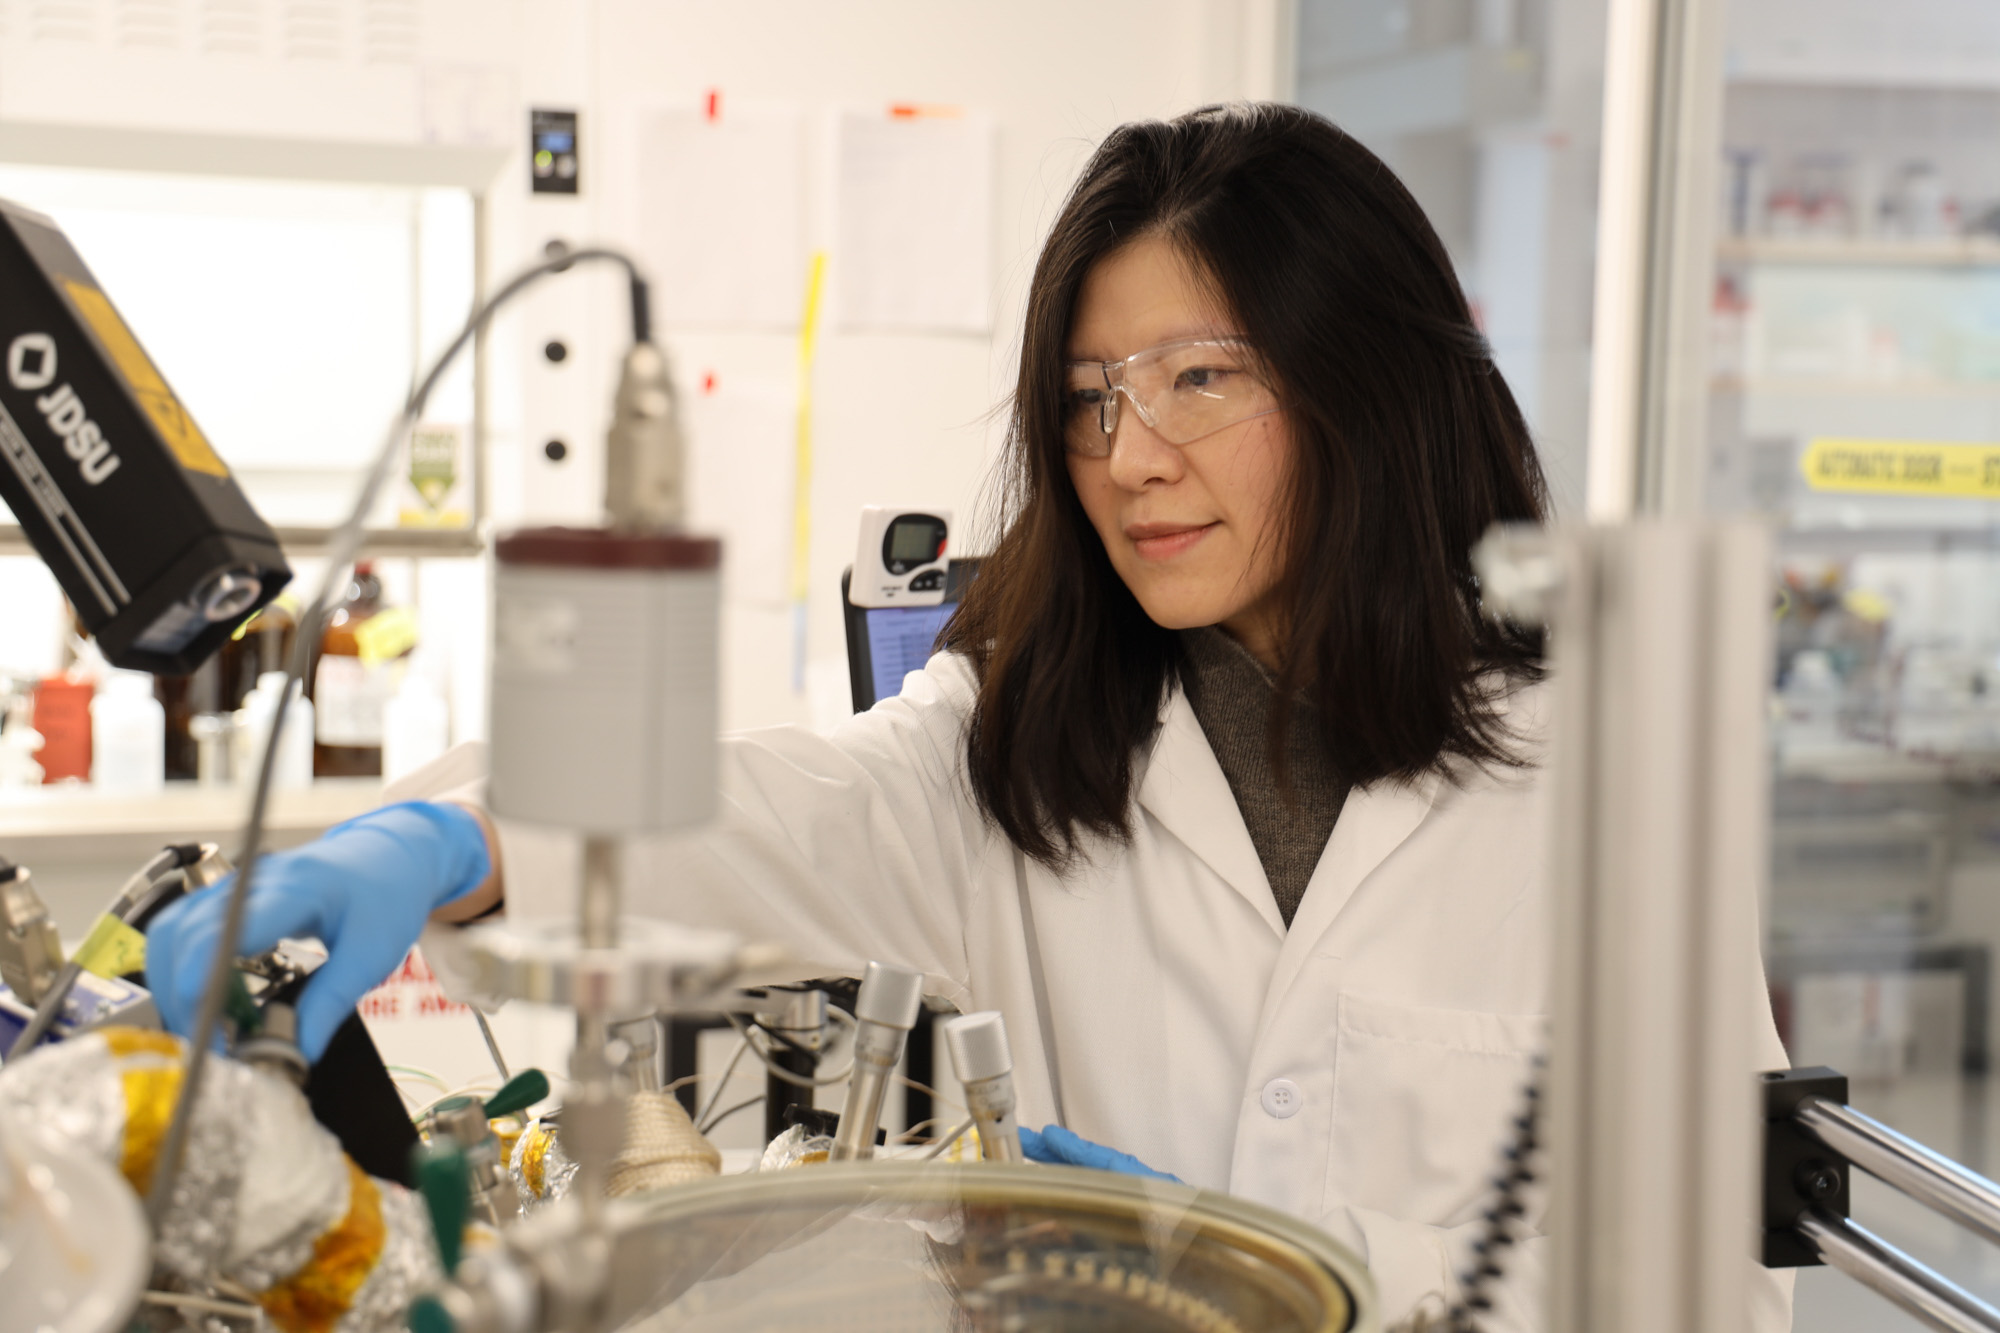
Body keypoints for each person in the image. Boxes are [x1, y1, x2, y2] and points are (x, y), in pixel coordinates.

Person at [145, 103, 1791, 1328]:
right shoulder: (1027, 739)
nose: (1129, 456)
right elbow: (777, 807)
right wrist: (455, 838)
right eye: (1087, 399)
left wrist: (1270, 1271)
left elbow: (1716, 1277)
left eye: (1198, 377)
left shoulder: (1602, 786)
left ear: (1368, 384)